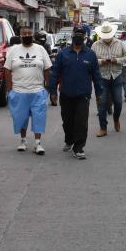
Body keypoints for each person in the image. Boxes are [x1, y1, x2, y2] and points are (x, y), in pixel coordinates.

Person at [49, 25, 102, 159]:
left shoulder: (90, 54)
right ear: (72, 36)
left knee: (81, 122)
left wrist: (99, 94)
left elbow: (96, 75)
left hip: (83, 94)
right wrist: (53, 92)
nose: (78, 37)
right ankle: (69, 140)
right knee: (67, 121)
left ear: (85, 37)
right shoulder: (63, 54)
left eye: (81, 35)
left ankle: (78, 148)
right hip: (66, 94)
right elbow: (55, 73)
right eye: (76, 34)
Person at [4, 27, 52, 155]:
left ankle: (38, 143)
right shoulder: (13, 50)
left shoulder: (40, 49)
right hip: (19, 91)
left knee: (39, 117)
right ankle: (23, 140)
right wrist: (10, 90)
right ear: (20, 36)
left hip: (38, 90)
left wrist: (47, 87)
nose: (26, 35)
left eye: (29, 33)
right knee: (21, 118)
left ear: (33, 35)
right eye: (24, 34)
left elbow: (47, 69)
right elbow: (7, 70)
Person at [92, 22, 126, 137]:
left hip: (116, 75)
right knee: (101, 103)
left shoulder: (120, 43)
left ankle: (116, 118)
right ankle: (103, 127)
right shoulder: (95, 45)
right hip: (102, 77)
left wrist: (117, 60)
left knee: (118, 101)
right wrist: (101, 61)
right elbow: (91, 61)